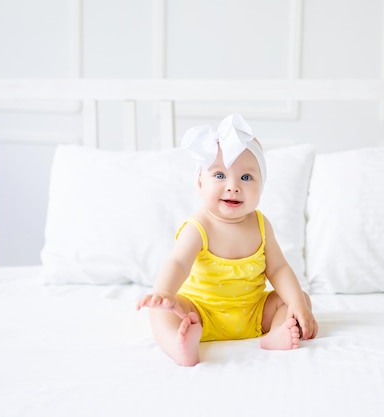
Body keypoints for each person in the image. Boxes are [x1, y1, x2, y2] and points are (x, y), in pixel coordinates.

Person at [136, 113, 318, 366]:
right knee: (159, 312)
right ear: (200, 183)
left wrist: (298, 304)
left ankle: (277, 332)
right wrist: (164, 292)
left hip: (254, 313)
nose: (233, 186)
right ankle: (179, 346)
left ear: (261, 186)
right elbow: (178, 262)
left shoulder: (261, 225)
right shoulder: (198, 226)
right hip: (199, 312)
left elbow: (278, 268)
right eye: (219, 175)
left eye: (246, 177)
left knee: (299, 298)